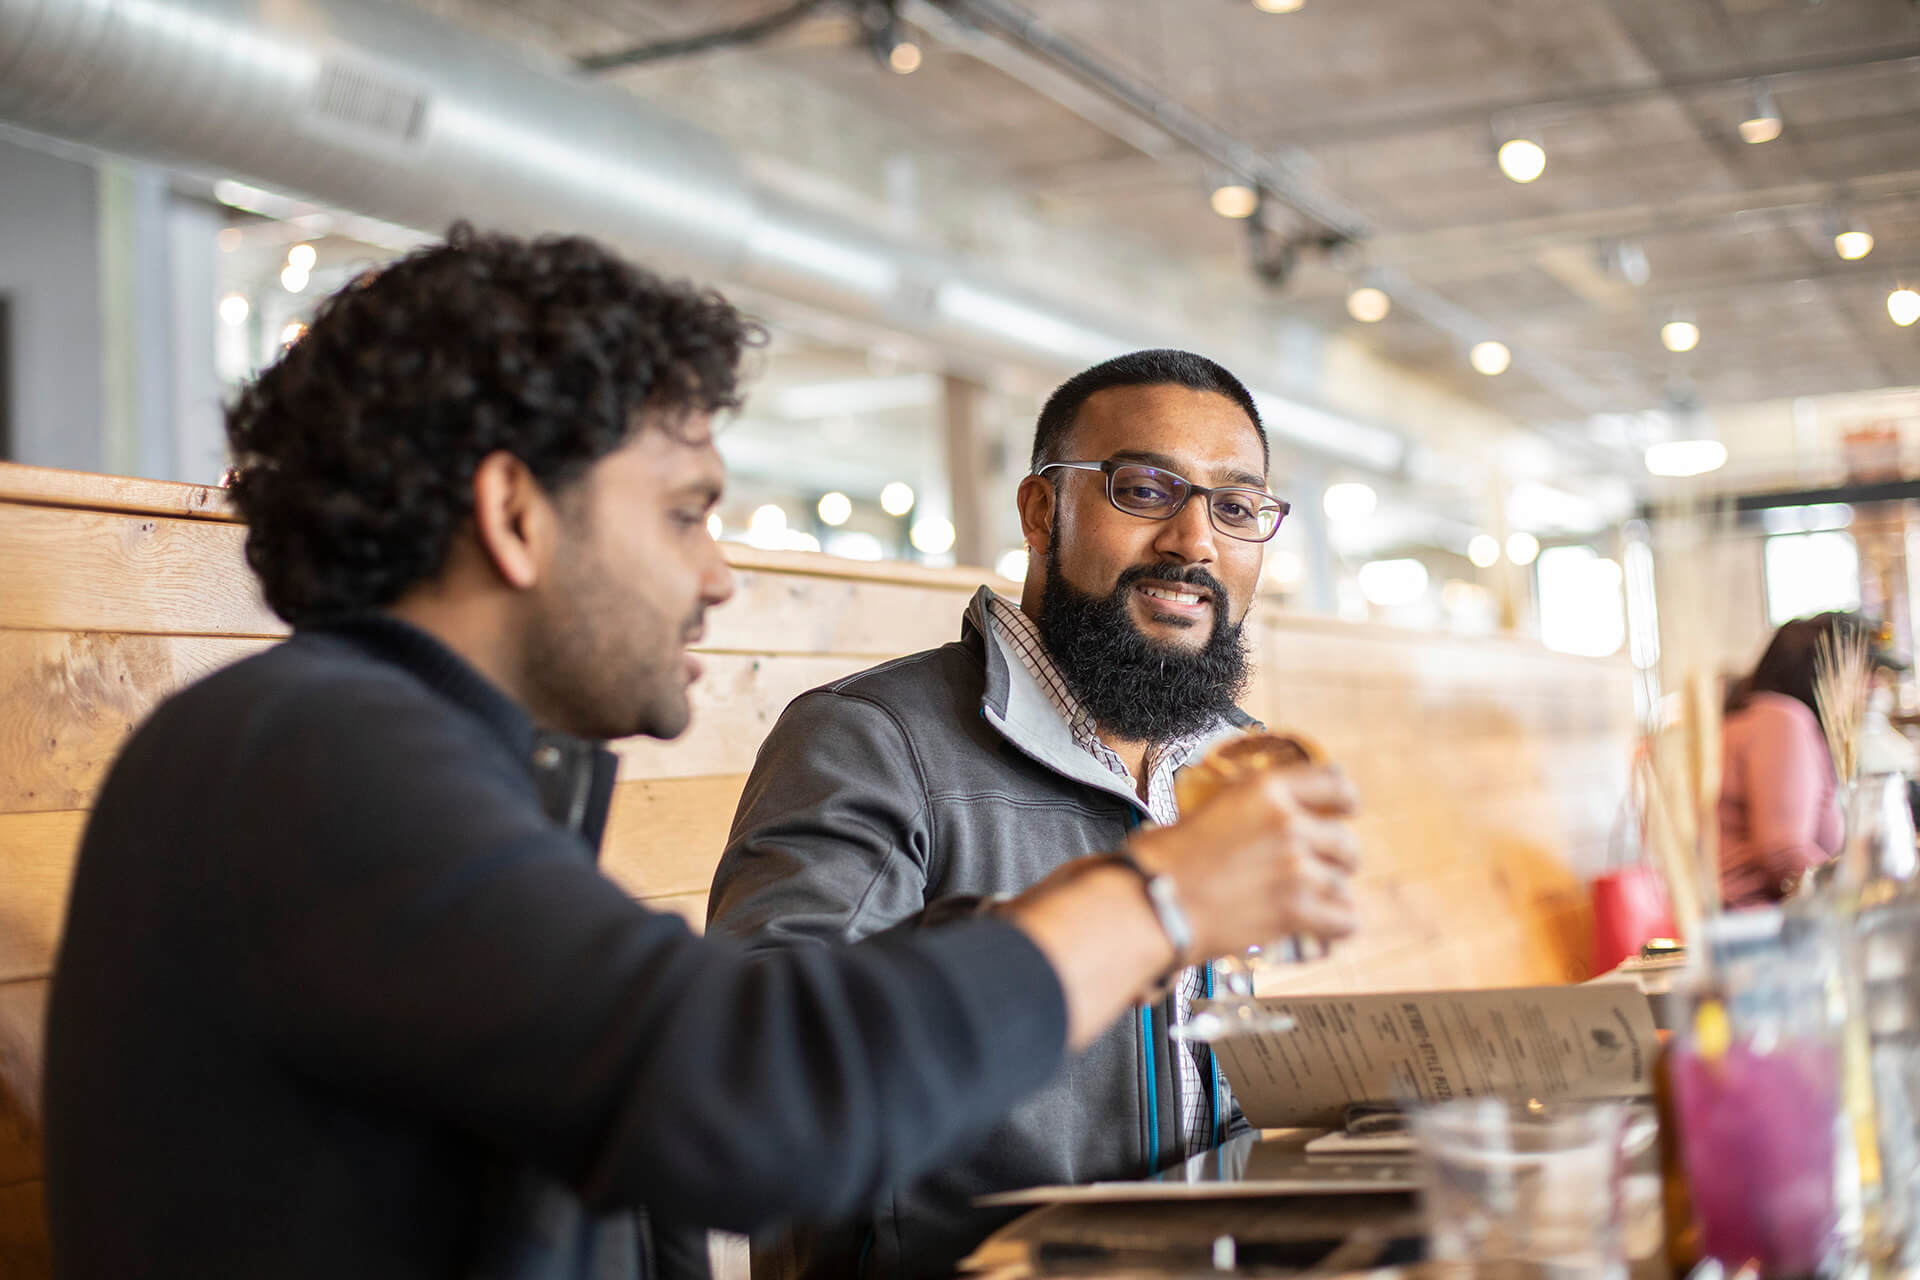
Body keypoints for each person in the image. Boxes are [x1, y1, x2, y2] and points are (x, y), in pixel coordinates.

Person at [40, 232, 1361, 1279]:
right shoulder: (315, 758)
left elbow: (656, 1113)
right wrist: (1158, 899)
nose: (720, 574)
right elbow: (743, 1098)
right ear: (514, 514)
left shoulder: (371, 753)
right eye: (685, 513)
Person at [707, 349, 1358, 1277]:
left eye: (1236, 506)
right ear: (1041, 509)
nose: (1194, 541)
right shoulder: (870, 741)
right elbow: (762, 1090)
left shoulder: (1228, 761)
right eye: (1144, 490)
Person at [1717, 611, 1863, 905]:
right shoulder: (1781, 720)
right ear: (1822, 674)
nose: (1865, 688)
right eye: (1860, 673)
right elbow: (1781, 852)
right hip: (1763, 932)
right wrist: (1863, 895)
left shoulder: (1762, 717)